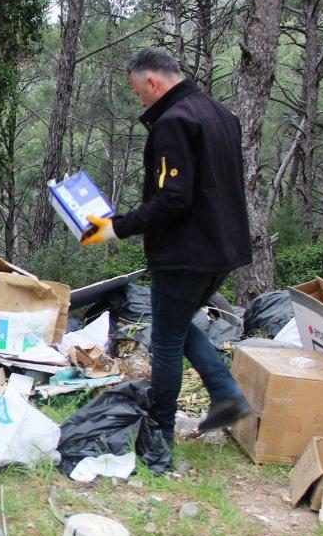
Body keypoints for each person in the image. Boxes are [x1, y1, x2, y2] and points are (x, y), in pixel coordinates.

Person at [80, 47, 252, 443]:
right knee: (175, 324)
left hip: (187, 252)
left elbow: (173, 198)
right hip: (224, 247)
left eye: (138, 91)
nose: (139, 99)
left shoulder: (174, 122)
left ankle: (159, 430)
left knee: (167, 339)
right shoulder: (221, 114)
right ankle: (226, 394)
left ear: (153, 82)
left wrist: (114, 227)